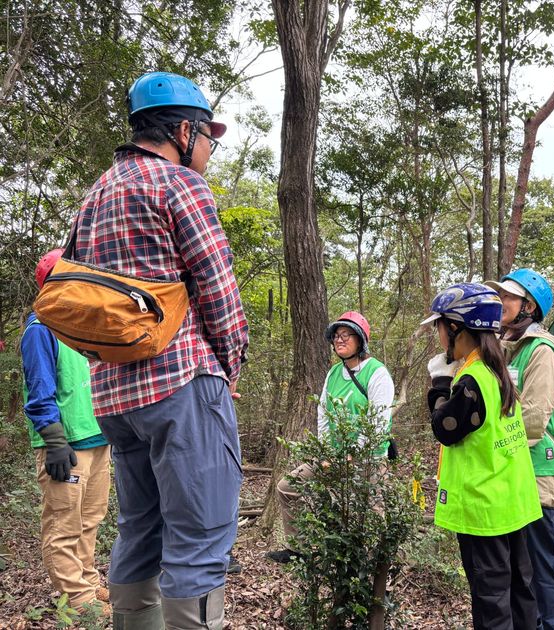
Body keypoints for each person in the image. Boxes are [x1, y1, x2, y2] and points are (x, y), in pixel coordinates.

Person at [66, 72, 249, 629]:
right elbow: (217, 286)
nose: (210, 150)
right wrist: (229, 367)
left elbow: (75, 295)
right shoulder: (179, 184)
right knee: (200, 535)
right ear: (185, 131)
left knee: (139, 529)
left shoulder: (93, 195)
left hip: (114, 400)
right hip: (180, 385)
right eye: (209, 137)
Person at [422, 283, 542, 630]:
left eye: (439, 326)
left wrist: (440, 384)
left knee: (492, 602)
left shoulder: (471, 380)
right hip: (512, 502)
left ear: (455, 328)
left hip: (484, 508)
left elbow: (445, 428)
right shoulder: (496, 371)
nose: (438, 334)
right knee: (520, 593)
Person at [487, 269, 554, 630]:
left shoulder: (541, 351)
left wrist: (491, 449)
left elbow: (532, 419)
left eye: (508, 297)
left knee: (545, 570)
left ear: (529, 306)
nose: (500, 302)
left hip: (540, 475)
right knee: (522, 573)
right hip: (515, 472)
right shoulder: (506, 350)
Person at [21, 249, 111, 618]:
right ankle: (77, 600)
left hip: (97, 439)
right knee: (64, 524)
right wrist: (55, 440)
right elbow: (39, 389)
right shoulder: (40, 329)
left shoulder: (81, 326)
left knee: (90, 520)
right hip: (65, 445)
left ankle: (87, 582)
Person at [270, 311, 394, 563]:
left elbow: (378, 422)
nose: (339, 339)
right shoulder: (334, 373)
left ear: (361, 339)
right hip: (334, 456)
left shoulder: (377, 373)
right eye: (336, 335)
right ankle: (299, 550)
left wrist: (353, 454)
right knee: (287, 487)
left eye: (346, 334)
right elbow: (324, 413)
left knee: (371, 514)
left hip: (368, 459)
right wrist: (327, 451)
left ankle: (372, 569)